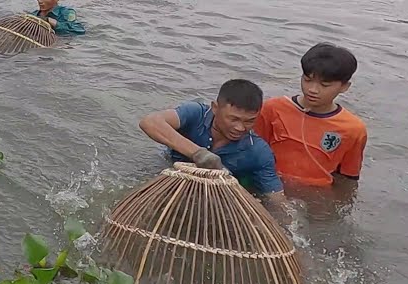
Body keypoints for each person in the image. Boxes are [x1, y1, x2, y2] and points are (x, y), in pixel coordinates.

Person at [138, 80, 286, 202]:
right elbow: (150, 122)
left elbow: (277, 201)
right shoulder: (196, 114)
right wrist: (199, 154)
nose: (240, 128)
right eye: (233, 119)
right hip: (170, 176)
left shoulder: (258, 152)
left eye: (249, 121)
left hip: (217, 197)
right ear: (215, 108)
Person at [256, 44, 367, 189]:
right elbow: (252, 150)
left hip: (316, 193)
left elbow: (348, 179)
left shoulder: (353, 129)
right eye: (307, 80)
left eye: (324, 85)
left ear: (345, 87)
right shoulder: (272, 109)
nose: (312, 90)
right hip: (270, 186)